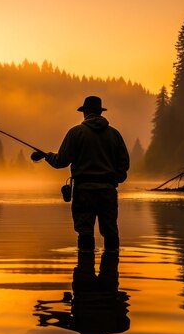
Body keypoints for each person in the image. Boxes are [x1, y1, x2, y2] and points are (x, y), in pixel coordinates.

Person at [36, 96, 129, 251]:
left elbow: (61, 161)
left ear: (85, 112)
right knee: (110, 231)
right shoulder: (114, 134)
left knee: (85, 232)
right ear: (100, 112)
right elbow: (124, 163)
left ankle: (85, 269)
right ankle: (111, 269)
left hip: (84, 191)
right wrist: (115, 179)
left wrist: (47, 156)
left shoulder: (76, 133)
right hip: (108, 190)